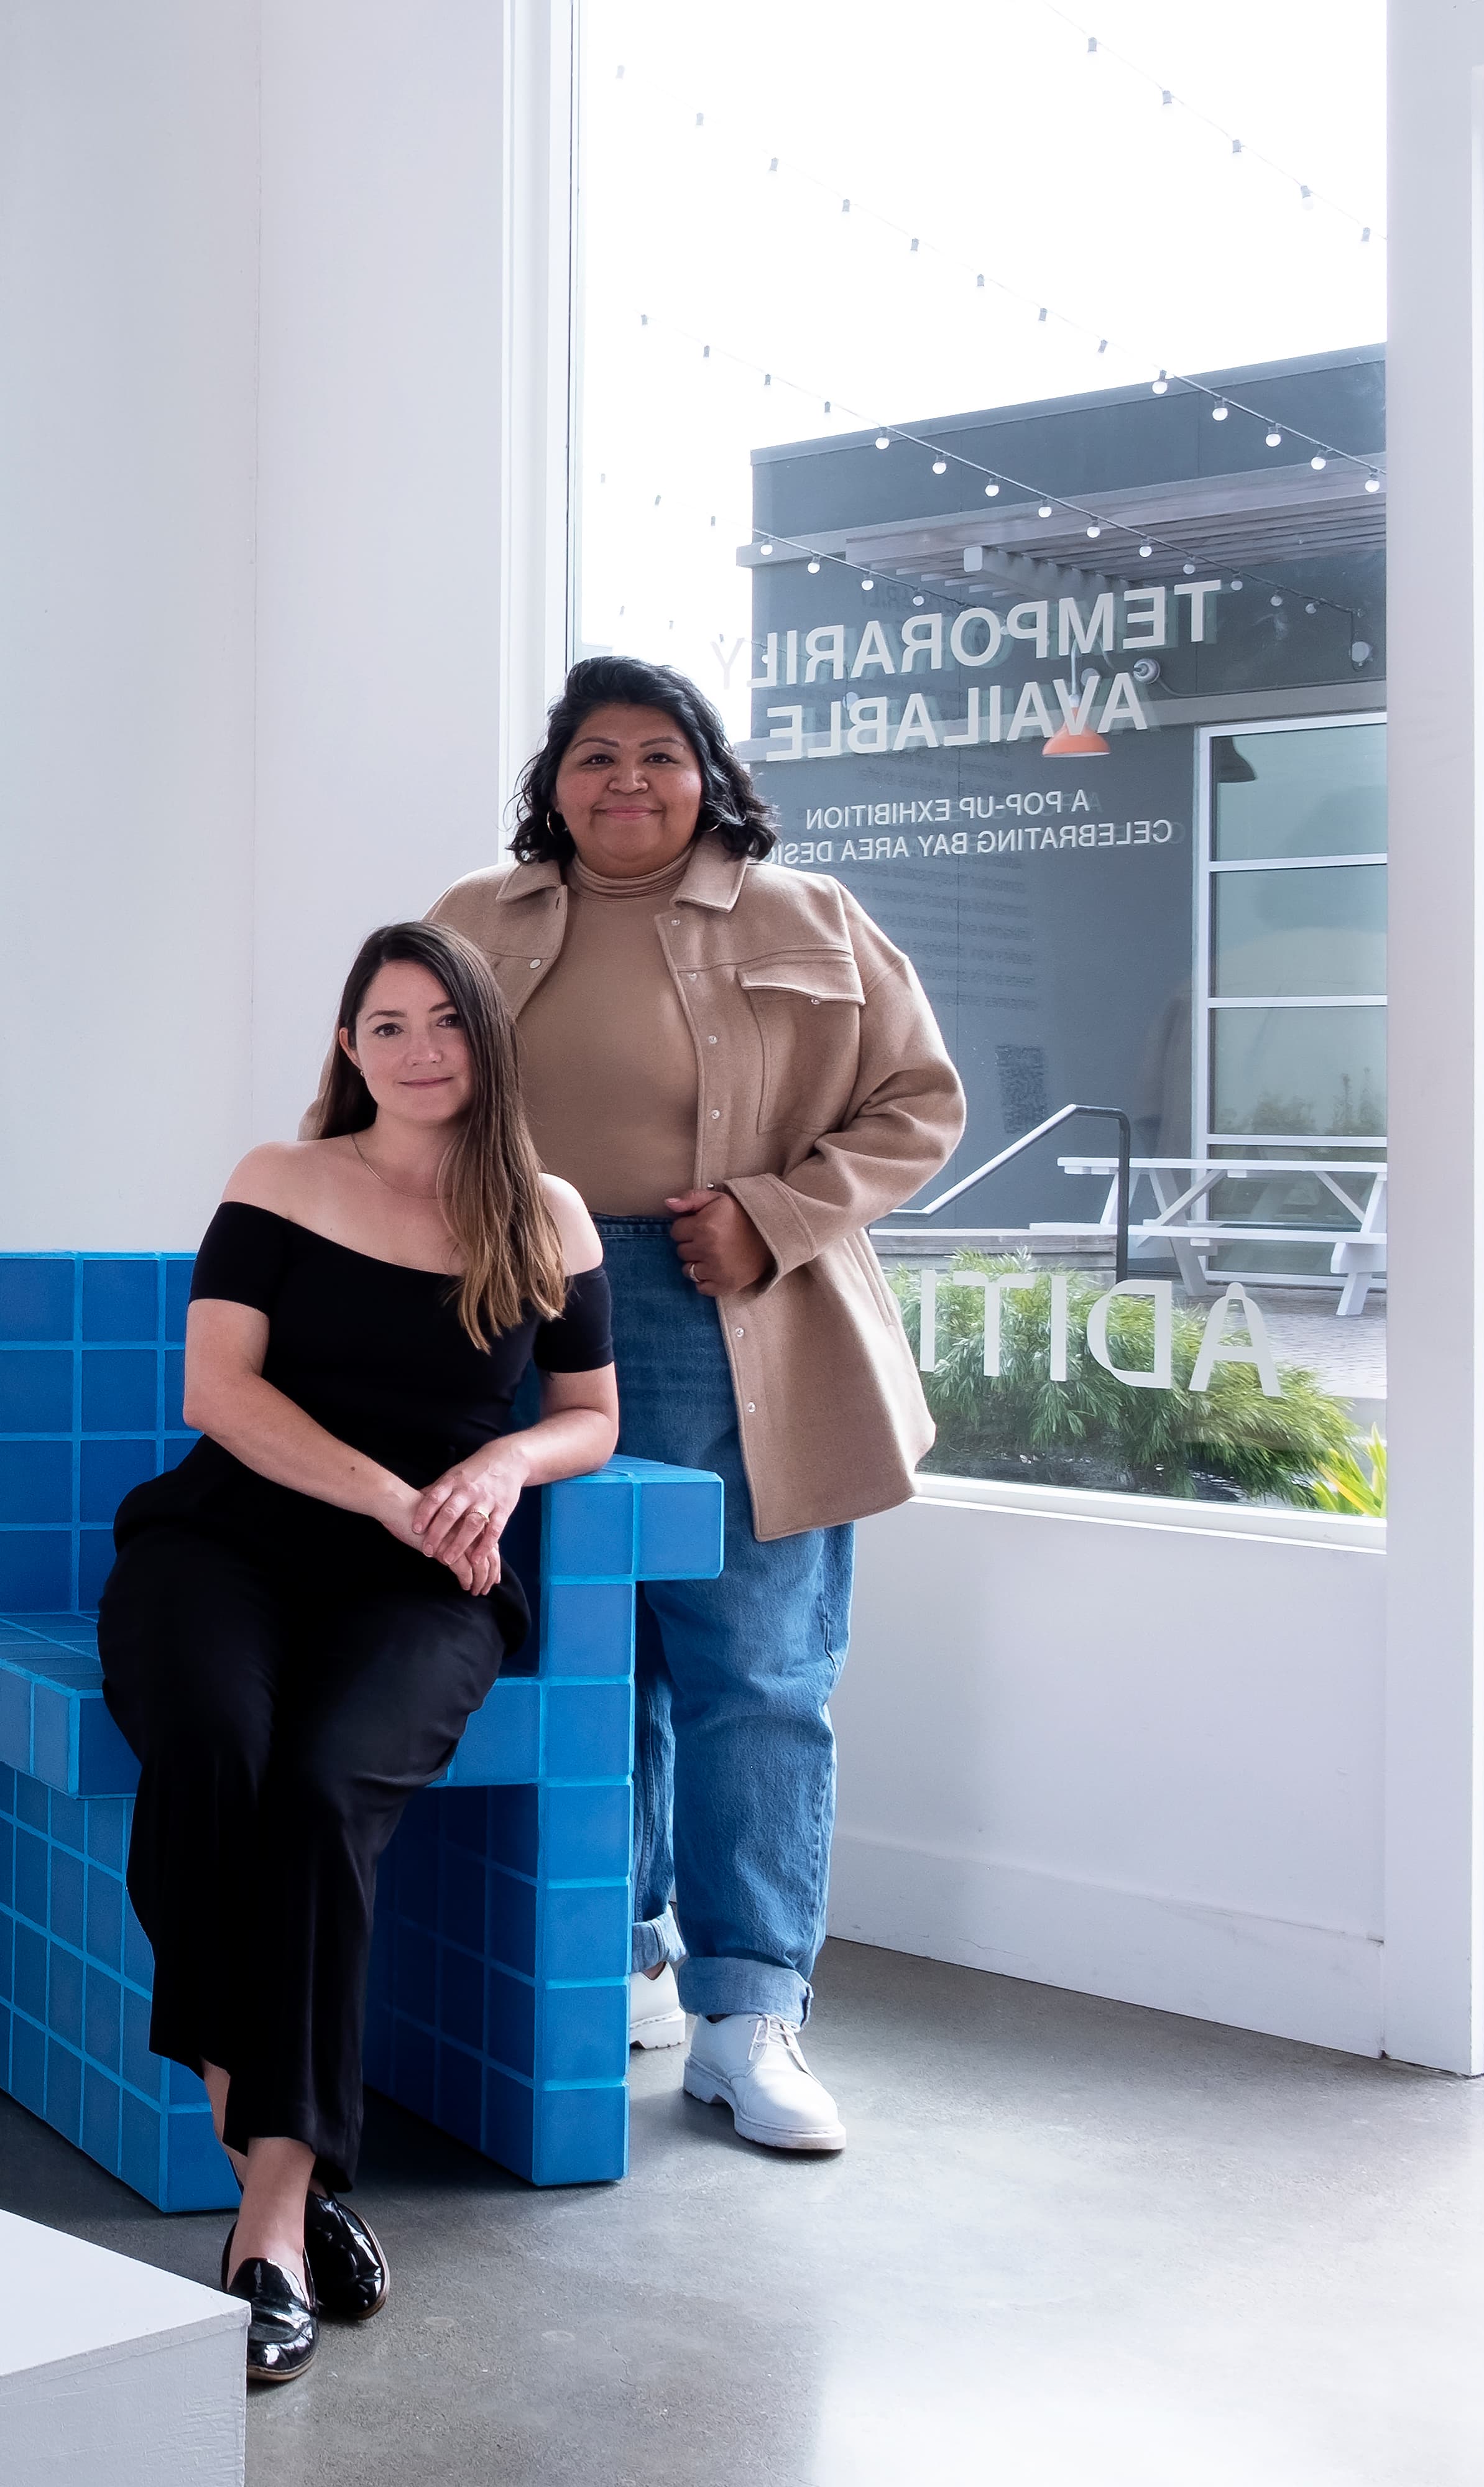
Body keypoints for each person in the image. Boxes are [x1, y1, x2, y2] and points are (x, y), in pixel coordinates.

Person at [424, 653, 963, 2156]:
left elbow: (921, 1102)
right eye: (595, 754)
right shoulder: (472, 917)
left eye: (659, 753)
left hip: (739, 1310)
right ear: (554, 782)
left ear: (708, 775)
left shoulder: (811, 915)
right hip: (519, 1308)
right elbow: (385, 1084)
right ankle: (622, 1951)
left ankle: (750, 2012)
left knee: (757, 1663)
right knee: (588, 1651)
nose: (628, 780)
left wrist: (773, 1214)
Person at [100, 920, 619, 2386]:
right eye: (387, 1024)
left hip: (429, 1584)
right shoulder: (281, 1178)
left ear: (488, 1038)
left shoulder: (549, 1213)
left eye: (446, 1020)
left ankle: (265, 2215)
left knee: (326, 1790)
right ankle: (287, 2179)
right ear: (349, 1046)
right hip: (225, 1546)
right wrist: (394, 1494)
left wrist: (506, 1461)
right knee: (215, 1748)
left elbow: (592, 1413)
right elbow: (218, 1390)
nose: (419, 1049)